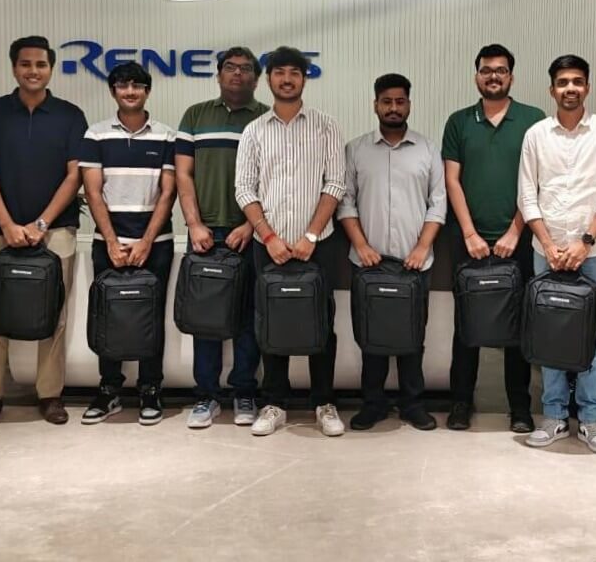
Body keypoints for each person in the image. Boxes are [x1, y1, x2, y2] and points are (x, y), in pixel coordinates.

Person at [0, 35, 88, 427]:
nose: (33, 71)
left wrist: (41, 223)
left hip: (55, 231)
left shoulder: (70, 115)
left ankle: (50, 394)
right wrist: (7, 224)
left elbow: (75, 175)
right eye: (25, 64)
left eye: (40, 64)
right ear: (14, 67)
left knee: (54, 313)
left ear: (50, 68)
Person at [234, 46, 346, 438]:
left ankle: (324, 403)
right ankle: (274, 403)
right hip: (268, 246)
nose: (286, 79)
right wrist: (268, 236)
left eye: (294, 73)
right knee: (271, 323)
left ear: (304, 78)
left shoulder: (326, 126)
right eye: (279, 72)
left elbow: (335, 183)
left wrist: (311, 234)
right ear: (268, 79)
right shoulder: (254, 131)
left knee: (321, 323)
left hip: (320, 244)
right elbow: (244, 189)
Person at [518, 55, 596, 455]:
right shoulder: (536, 135)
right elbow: (527, 195)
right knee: (549, 332)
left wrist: (585, 242)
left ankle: (592, 419)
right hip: (545, 251)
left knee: (592, 335)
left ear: (587, 87)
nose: (570, 88)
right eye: (562, 82)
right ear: (552, 90)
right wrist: (548, 244)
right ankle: (554, 416)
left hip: (593, 253)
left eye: (577, 81)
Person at [441, 43, 546, 433]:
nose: (493, 76)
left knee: (518, 325)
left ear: (511, 77)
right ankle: (460, 403)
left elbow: (537, 181)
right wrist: (469, 233)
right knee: (467, 324)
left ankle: (519, 407)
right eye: (486, 70)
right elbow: (452, 179)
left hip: (519, 239)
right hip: (467, 240)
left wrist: (515, 230)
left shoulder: (533, 120)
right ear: (477, 76)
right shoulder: (459, 121)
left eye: (501, 70)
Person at [340, 73, 445, 432]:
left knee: (412, 337)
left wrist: (422, 247)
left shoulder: (428, 150)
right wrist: (361, 245)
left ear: (409, 105)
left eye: (400, 101)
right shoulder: (355, 150)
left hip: (414, 264)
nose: (394, 108)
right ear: (375, 105)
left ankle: (413, 404)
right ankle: (373, 404)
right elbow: (345, 202)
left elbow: (438, 203)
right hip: (368, 263)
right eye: (387, 101)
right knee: (371, 337)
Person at [78, 62, 176, 426]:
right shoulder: (96, 134)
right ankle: (109, 390)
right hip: (109, 245)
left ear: (147, 91)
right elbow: (92, 191)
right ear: (113, 91)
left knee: (151, 317)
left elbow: (168, 193)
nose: (130, 91)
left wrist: (146, 241)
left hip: (156, 244)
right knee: (109, 316)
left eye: (137, 85)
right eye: (123, 85)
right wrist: (112, 242)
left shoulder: (166, 136)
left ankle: (150, 388)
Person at [175, 47, 268, 429]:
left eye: (246, 69)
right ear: (218, 74)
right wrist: (194, 224)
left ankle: (244, 390)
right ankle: (207, 395)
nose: (237, 74)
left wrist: (252, 226)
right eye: (230, 67)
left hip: (251, 232)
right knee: (206, 317)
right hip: (205, 232)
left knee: (249, 316)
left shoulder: (266, 119)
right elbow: (183, 175)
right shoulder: (195, 116)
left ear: (256, 79)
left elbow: (274, 179)